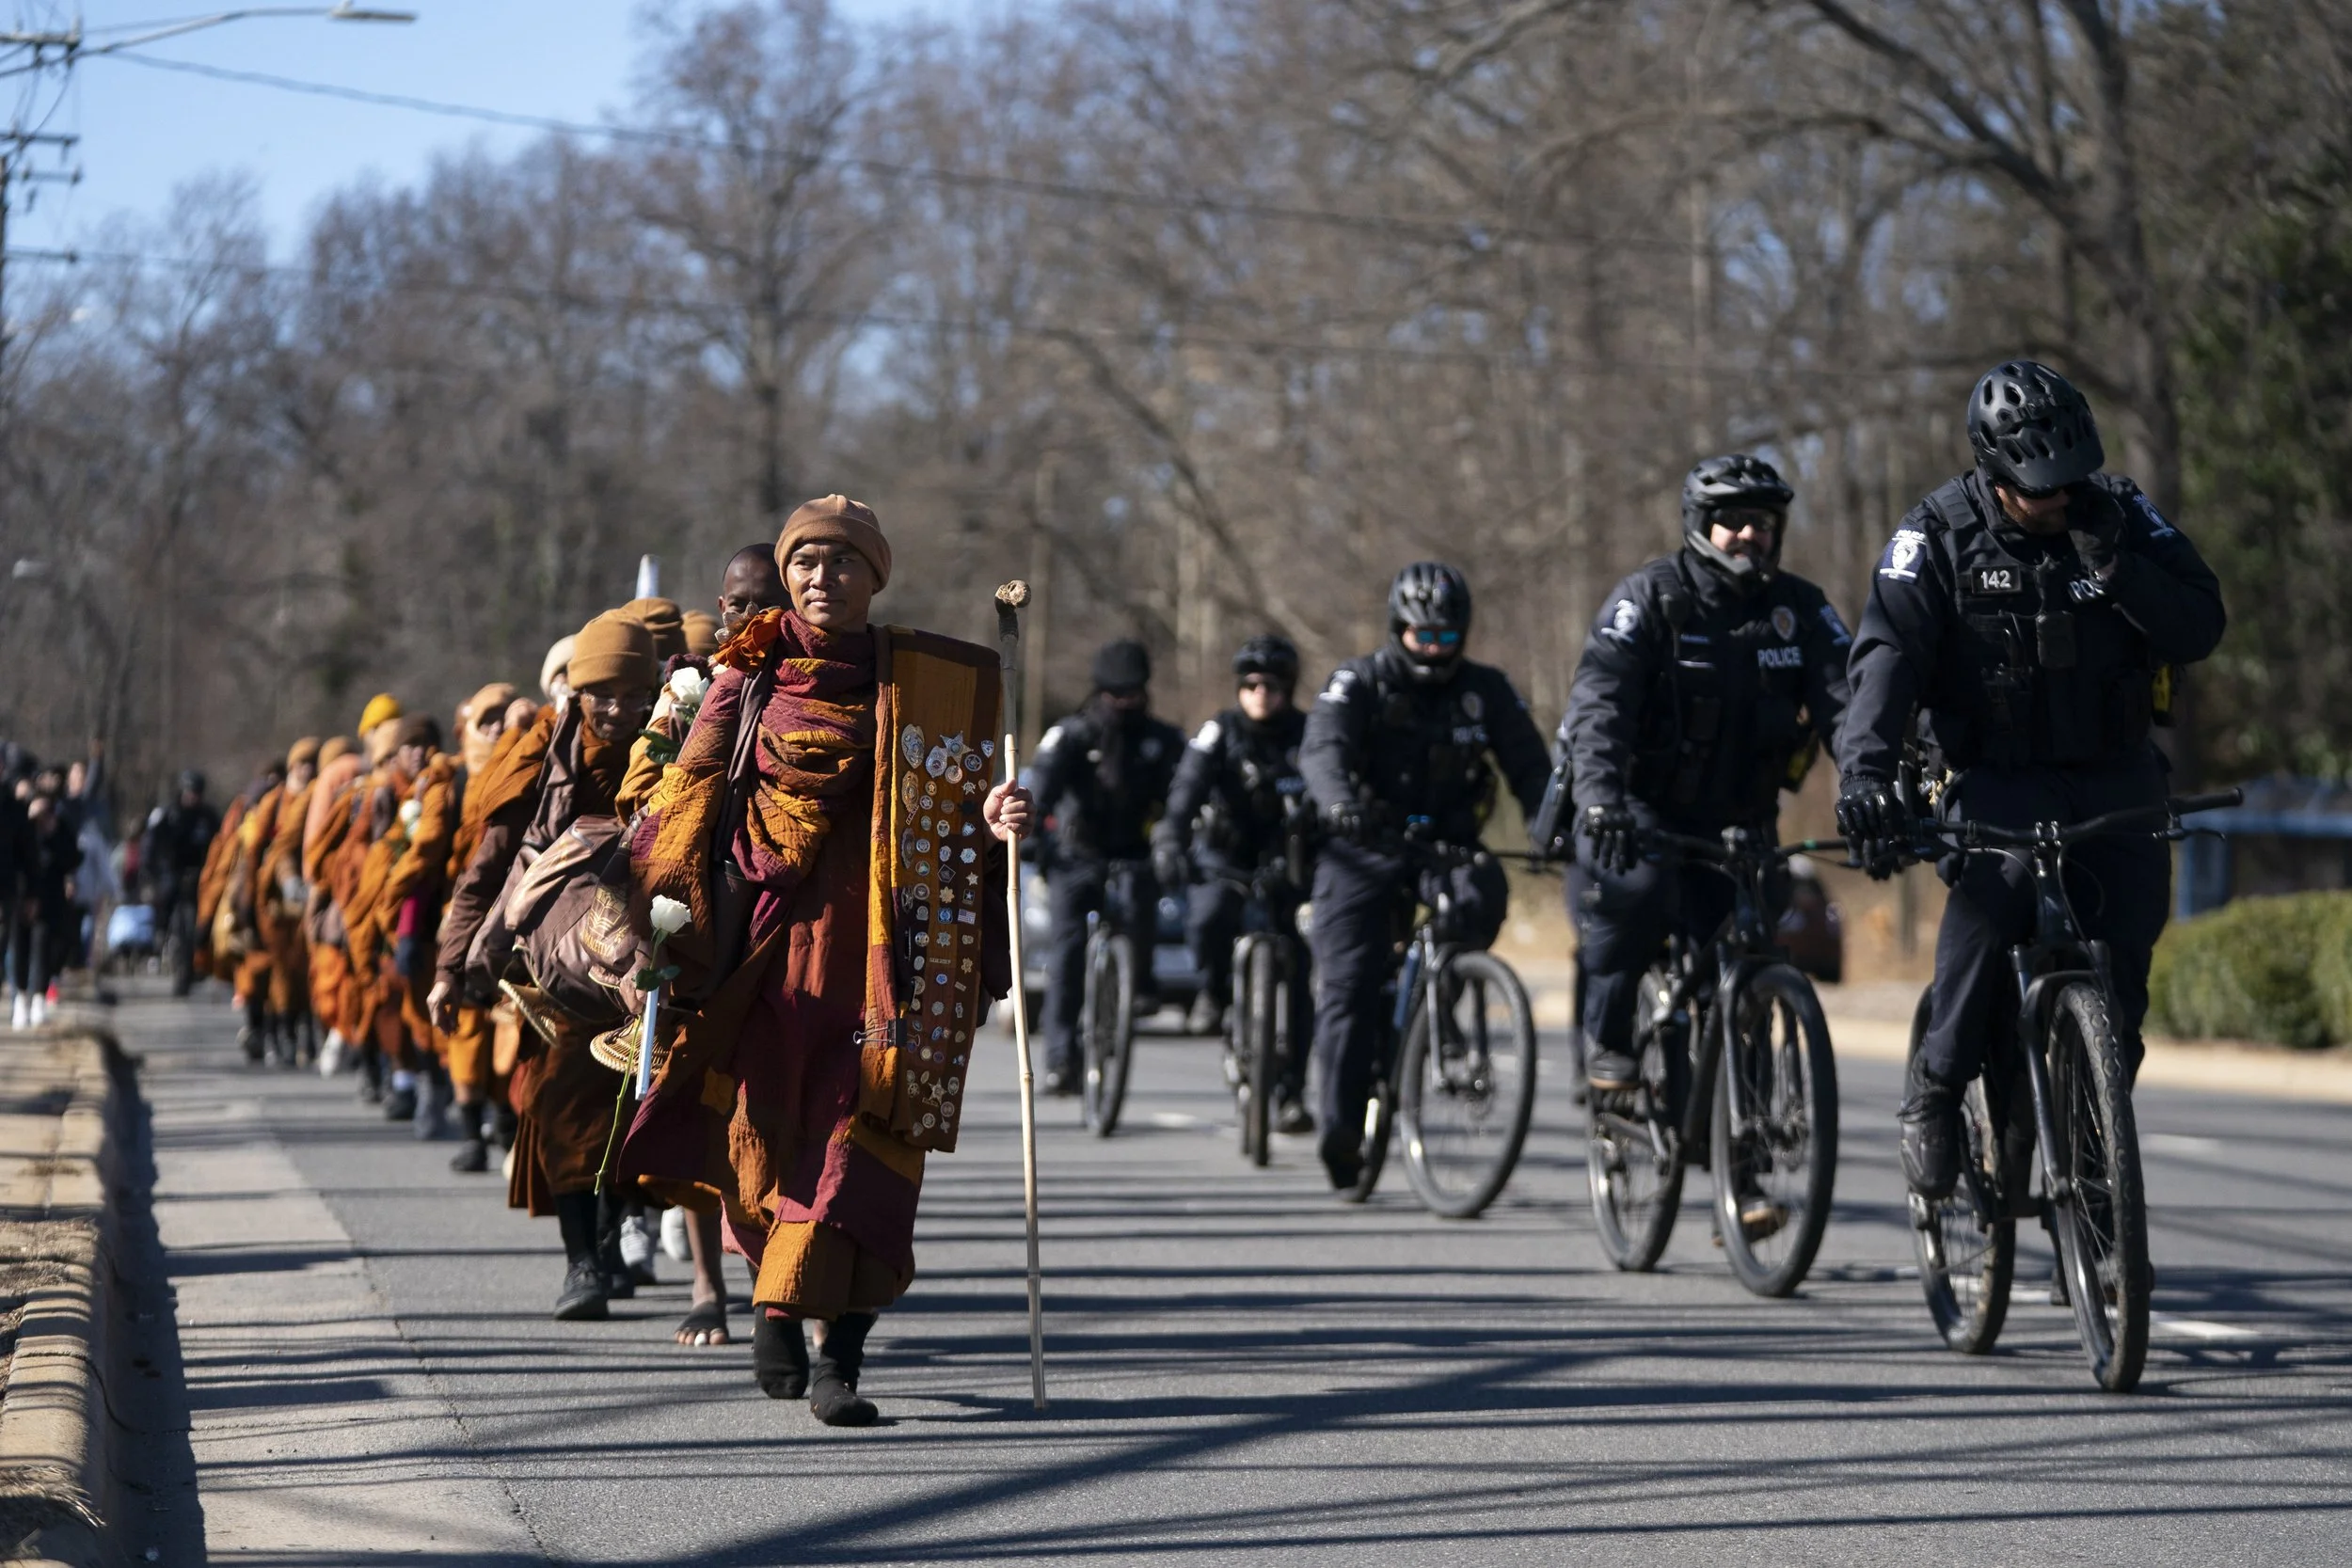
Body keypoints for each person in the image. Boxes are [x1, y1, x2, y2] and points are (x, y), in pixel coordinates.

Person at [620, 493, 1029, 1424]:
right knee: (761, 1138)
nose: (820, 576)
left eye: (843, 562)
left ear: (874, 576)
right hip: (765, 954)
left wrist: (997, 818)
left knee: (866, 1140)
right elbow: (683, 796)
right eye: (806, 560)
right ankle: (773, 1298)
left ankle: (840, 1355)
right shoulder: (747, 677)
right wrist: (666, 913)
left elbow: (957, 815)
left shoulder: (920, 684)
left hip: (884, 955)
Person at [1834, 361, 2226, 1199]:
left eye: (2068, 482)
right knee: (1997, 891)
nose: (2057, 501)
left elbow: (2201, 622)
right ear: (1994, 471)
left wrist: (2119, 566)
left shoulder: (2119, 514)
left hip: (2115, 770)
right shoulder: (1934, 536)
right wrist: (1865, 775)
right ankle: (1937, 1086)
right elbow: (1883, 664)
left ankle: (2092, 1164)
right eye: (2038, 488)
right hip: (1993, 777)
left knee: (2123, 974)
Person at [1565, 455, 1851, 1114]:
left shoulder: (1800, 609)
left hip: (1741, 818)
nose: (1750, 535)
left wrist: (1872, 790)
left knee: (1753, 952)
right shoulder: (1651, 597)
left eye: (1763, 523)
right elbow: (1599, 706)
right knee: (1635, 893)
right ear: (1701, 526)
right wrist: (1601, 796)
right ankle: (1610, 1039)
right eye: (1732, 523)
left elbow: (1848, 702)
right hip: (1639, 810)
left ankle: (1744, 1169)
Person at [436, 611, 660, 1321]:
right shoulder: (540, 752)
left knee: (644, 1105)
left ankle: (623, 1233)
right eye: (603, 694)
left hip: (654, 949)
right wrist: (451, 964)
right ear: (577, 691)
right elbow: (489, 864)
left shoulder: (677, 742)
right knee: (566, 1105)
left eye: (634, 695)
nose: (619, 710)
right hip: (556, 959)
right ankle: (582, 1260)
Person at [1299, 562, 1550, 1191]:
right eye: (1422, 636)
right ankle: (1339, 1127)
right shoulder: (1358, 682)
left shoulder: (1485, 688)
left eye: (1446, 637)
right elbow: (1322, 750)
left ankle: (1441, 995)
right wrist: (1337, 801)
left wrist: (1554, 826)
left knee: (1482, 891)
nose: (1435, 650)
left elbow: (1530, 765)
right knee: (1350, 987)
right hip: (1363, 845)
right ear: (1398, 630)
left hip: (1447, 845)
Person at [1152, 634, 1317, 1130]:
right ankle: (1215, 994)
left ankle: (1290, 1094)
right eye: (1249, 684)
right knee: (1207, 916)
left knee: (1302, 975)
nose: (1259, 693)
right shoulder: (1218, 732)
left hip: (1287, 867)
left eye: (1270, 684)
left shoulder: (1310, 734)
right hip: (1223, 860)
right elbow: (1185, 790)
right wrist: (1169, 838)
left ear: (1287, 687)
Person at [1021, 639, 1184, 1095]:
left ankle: (1140, 982)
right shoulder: (1072, 734)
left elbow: (1182, 798)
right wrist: (1034, 841)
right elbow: (1043, 787)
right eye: (1116, 695)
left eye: (1132, 694)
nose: (1124, 703)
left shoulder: (1163, 740)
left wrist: (1178, 841)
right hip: (1077, 856)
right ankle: (1059, 1059)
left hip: (1135, 852)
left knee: (1140, 906)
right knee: (1068, 950)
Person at [144, 770, 220, 996]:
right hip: (171, 874)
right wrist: (152, 874)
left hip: (199, 877)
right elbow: (150, 846)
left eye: (196, 793)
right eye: (189, 792)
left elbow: (221, 846)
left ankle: (201, 956)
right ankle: (158, 938)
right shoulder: (167, 814)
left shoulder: (208, 817)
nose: (192, 798)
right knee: (165, 903)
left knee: (204, 918)